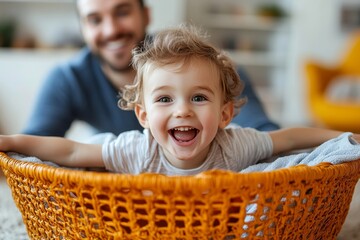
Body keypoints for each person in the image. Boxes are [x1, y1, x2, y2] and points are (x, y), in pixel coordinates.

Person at [1, 26, 358, 175]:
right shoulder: (139, 151)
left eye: (199, 97)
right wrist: (12, 141)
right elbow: (71, 152)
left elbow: (291, 140)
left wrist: (344, 140)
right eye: (165, 99)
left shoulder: (234, 146)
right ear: (142, 115)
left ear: (225, 114)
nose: (183, 110)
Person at [22, 0, 279, 138]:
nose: (111, 30)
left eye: (122, 12)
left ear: (146, 15)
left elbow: (262, 134)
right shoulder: (69, 79)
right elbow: (32, 148)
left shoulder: (210, 70)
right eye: (95, 20)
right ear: (82, 28)